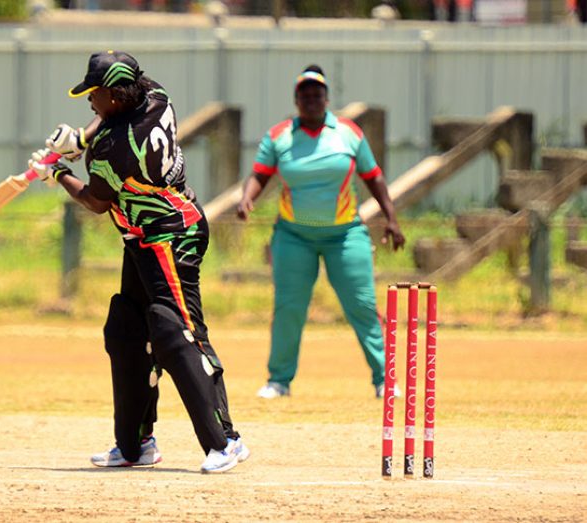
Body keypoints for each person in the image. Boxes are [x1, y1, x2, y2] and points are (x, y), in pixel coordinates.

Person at [29, 50, 249, 473]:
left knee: (176, 333)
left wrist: (55, 172)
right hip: (142, 239)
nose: (89, 102)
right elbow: (108, 119)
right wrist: (79, 138)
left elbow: (94, 201)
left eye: (94, 95)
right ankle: (135, 445)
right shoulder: (155, 95)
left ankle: (227, 442)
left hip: (172, 237)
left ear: (114, 95)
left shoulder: (118, 151)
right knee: (126, 332)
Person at [236, 65, 405, 400]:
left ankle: (385, 379)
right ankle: (279, 380)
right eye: (305, 95)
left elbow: (373, 177)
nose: (311, 100)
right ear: (296, 100)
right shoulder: (279, 135)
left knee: (362, 305)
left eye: (317, 94)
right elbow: (260, 174)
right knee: (289, 306)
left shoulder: (348, 133)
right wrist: (246, 198)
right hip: (292, 236)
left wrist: (391, 218)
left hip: (345, 234)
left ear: (326, 98)